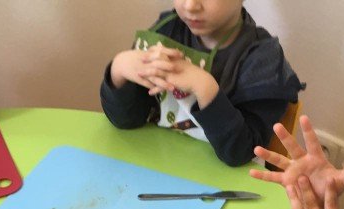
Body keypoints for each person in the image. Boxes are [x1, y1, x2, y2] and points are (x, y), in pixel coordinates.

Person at [100, 0, 303, 167]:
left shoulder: (262, 60)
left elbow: (240, 153)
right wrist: (118, 70)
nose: (190, 5)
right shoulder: (167, 29)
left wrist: (204, 87)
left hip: (229, 185)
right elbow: (127, 121)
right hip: (161, 166)